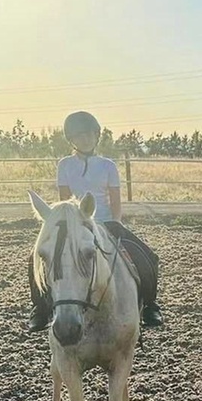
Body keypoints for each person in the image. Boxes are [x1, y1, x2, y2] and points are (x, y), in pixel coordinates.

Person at [27, 111, 164, 332]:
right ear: (71, 139)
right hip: (76, 223)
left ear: (97, 136)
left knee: (147, 256)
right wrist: (69, 227)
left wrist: (116, 223)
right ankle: (40, 309)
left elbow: (115, 199)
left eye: (90, 135)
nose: (86, 139)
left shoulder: (108, 166)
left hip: (106, 222)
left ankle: (150, 305)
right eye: (80, 136)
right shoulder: (65, 165)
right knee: (36, 257)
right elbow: (65, 200)